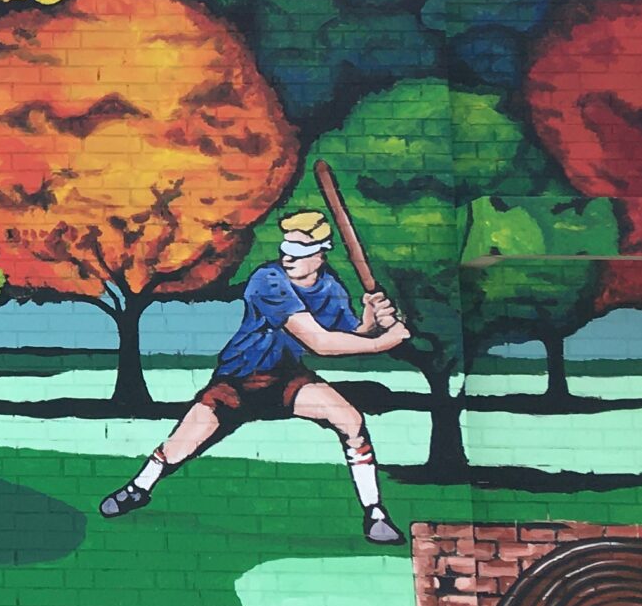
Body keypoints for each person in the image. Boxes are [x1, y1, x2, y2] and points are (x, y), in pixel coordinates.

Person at [98, 209, 415, 544]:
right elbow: (320, 343)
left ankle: (375, 514)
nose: (288, 257)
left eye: (299, 251)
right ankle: (138, 488)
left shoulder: (330, 287)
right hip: (238, 381)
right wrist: (385, 341)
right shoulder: (268, 281)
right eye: (286, 249)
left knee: (350, 421)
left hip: (286, 378)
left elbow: (348, 335)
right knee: (179, 446)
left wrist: (371, 320)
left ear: (321, 253)